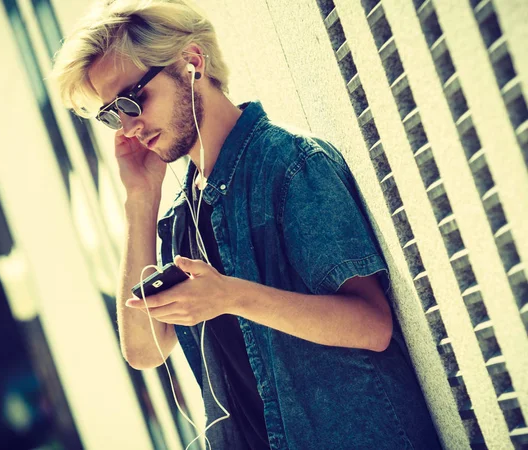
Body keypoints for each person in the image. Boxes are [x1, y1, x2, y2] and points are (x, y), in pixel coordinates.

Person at [52, 0, 442, 448]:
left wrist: (231, 296)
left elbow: (372, 326)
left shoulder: (289, 164)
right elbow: (145, 350)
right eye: (111, 115)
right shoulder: (181, 218)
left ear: (192, 63)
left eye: (132, 101)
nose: (128, 126)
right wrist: (140, 201)